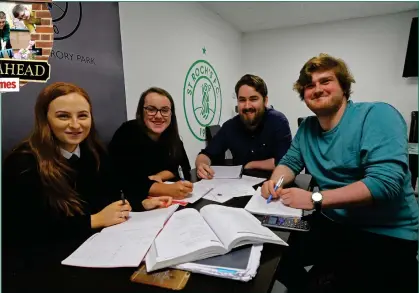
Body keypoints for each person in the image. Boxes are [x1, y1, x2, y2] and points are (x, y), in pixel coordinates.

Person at [261, 53, 419, 293]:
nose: (317, 89)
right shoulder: (307, 128)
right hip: (332, 223)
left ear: (344, 87)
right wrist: (276, 181)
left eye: (325, 81)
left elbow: (385, 183)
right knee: (269, 252)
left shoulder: (377, 114)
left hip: (385, 233)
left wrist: (315, 199)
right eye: (309, 85)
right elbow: (290, 162)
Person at [2, 82, 171, 291]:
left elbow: (108, 194)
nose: (75, 125)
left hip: (95, 253)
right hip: (43, 269)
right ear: (45, 119)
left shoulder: (94, 153)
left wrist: (140, 203)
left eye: (82, 116)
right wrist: (94, 220)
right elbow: (25, 232)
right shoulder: (22, 163)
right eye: (63, 116)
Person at [195, 74, 292, 179]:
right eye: (242, 100)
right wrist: (201, 165)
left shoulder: (278, 121)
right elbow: (206, 154)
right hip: (239, 187)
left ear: (265, 100)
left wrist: (251, 164)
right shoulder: (230, 126)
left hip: (273, 184)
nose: (247, 106)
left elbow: (285, 161)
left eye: (253, 99)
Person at [108, 87, 193, 205]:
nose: (158, 116)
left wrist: (160, 176)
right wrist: (165, 189)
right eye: (151, 109)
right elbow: (124, 180)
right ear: (141, 112)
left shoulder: (171, 136)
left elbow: (184, 168)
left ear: (171, 114)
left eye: (165, 110)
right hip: (132, 208)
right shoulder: (127, 133)